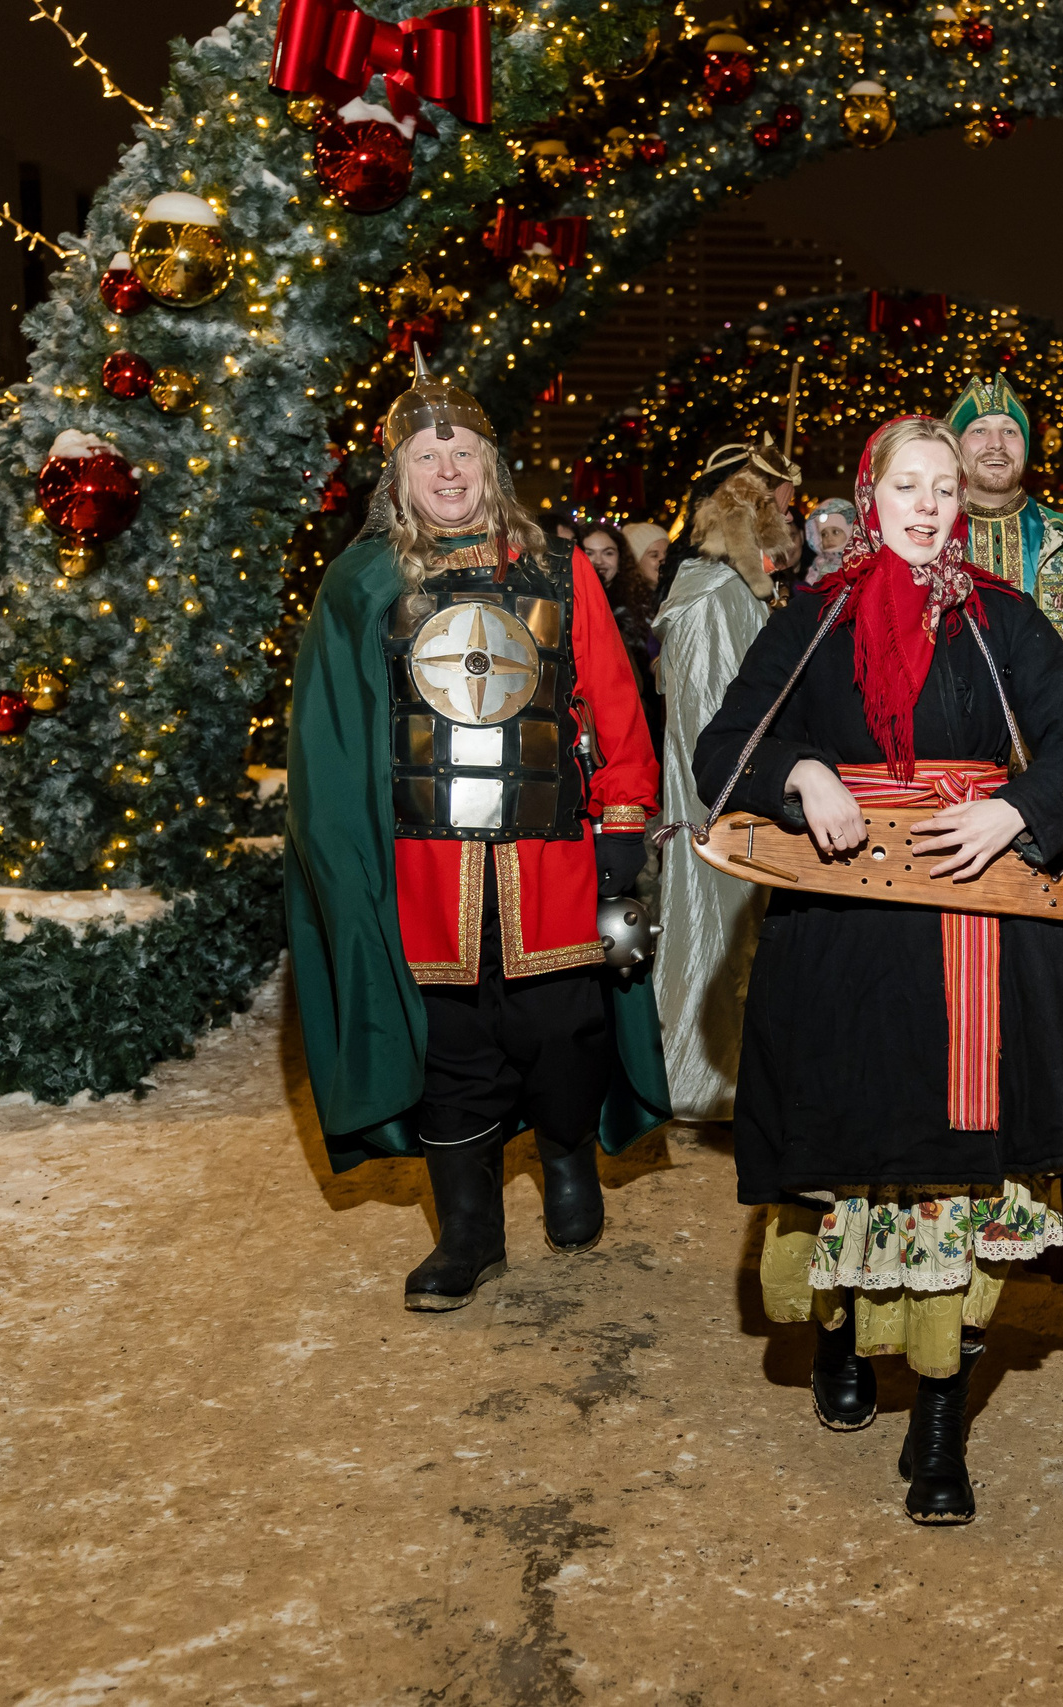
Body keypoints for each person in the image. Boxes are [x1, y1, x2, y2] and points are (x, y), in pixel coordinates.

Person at [693, 416, 1063, 1525]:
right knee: (848, 1151)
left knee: (968, 1178)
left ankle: (941, 1427)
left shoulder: (1003, 619)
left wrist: (1015, 810)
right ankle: (838, 1330)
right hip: (846, 933)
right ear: (869, 494)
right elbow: (724, 746)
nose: (929, 505)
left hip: (979, 924)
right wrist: (801, 772)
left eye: (943, 488)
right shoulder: (817, 612)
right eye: (907, 486)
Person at [282, 357, 668, 1311]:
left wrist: (623, 830)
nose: (446, 470)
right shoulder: (360, 584)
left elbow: (616, 710)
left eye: (462, 451)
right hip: (423, 872)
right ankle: (469, 1230)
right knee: (452, 1045)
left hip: (549, 863)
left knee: (564, 1029)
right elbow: (332, 740)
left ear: (492, 464)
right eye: (426, 454)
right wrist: (349, 870)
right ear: (398, 476)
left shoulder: (559, 567)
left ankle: (569, 1154)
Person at [651, 435, 797, 1123]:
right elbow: (712, 725)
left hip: (752, 796)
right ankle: (702, 1077)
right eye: (778, 503)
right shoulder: (711, 592)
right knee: (717, 930)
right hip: (722, 805)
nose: (789, 515)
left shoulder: (739, 587)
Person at [946, 372, 1063, 633]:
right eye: (979, 430)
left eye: (1009, 431)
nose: (996, 443)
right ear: (955, 447)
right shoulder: (927, 542)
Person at [802, 497, 859, 587]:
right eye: (824, 534)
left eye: (835, 532)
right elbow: (809, 587)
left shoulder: (856, 561)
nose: (829, 538)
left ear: (849, 532)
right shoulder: (818, 563)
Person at [579, 522, 632, 592]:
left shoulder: (636, 599)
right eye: (589, 554)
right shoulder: (564, 600)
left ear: (620, 559)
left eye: (608, 553)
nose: (599, 561)